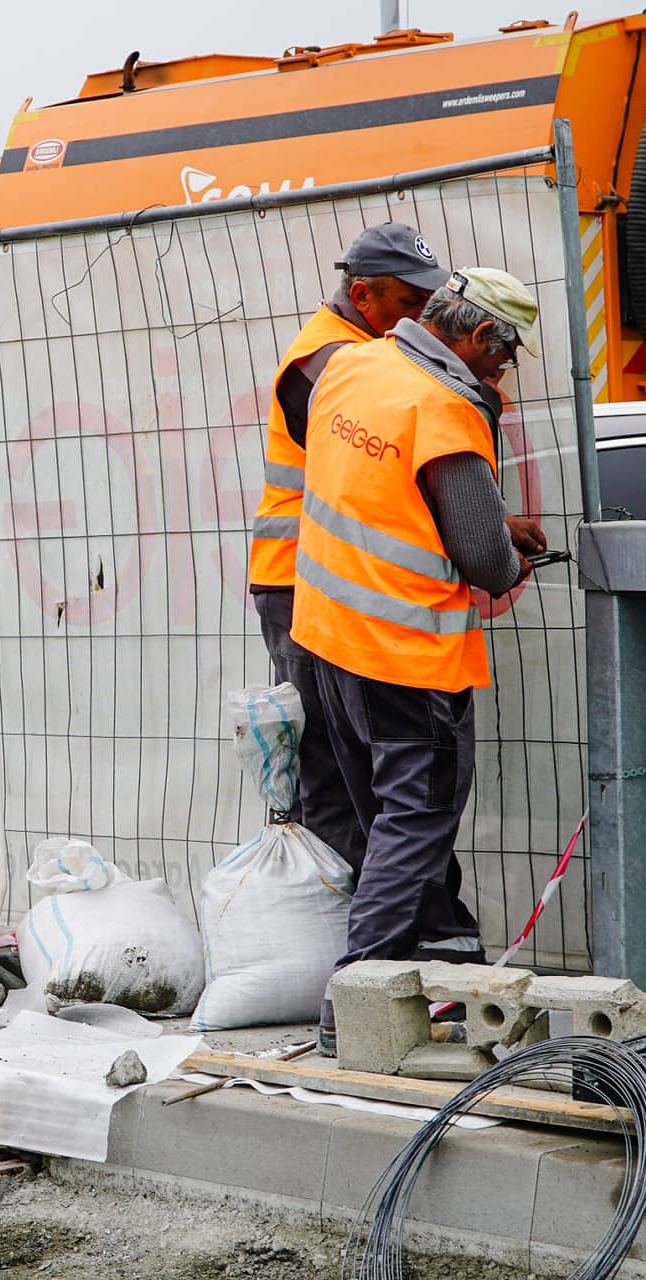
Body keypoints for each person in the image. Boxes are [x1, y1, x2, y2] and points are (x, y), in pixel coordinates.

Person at [289, 268, 547, 1055]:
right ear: (473, 339)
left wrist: (484, 518)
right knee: (419, 812)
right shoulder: (443, 406)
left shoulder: (356, 365)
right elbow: (485, 563)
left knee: (388, 812)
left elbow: (381, 487)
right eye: (499, 361)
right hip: (404, 651)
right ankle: (356, 994)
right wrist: (504, 552)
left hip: (329, 632)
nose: (496, 375)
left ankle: (445, 962)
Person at [248, 222, 446, 874]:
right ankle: (352, 931)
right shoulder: (326, 363)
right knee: (330, 765)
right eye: (407, 305)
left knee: (354, 759)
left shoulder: (362, 352)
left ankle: (371, 925)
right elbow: (380, 470)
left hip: (326, 579)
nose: (422, 318)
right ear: (363, 295)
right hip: (299, 582)